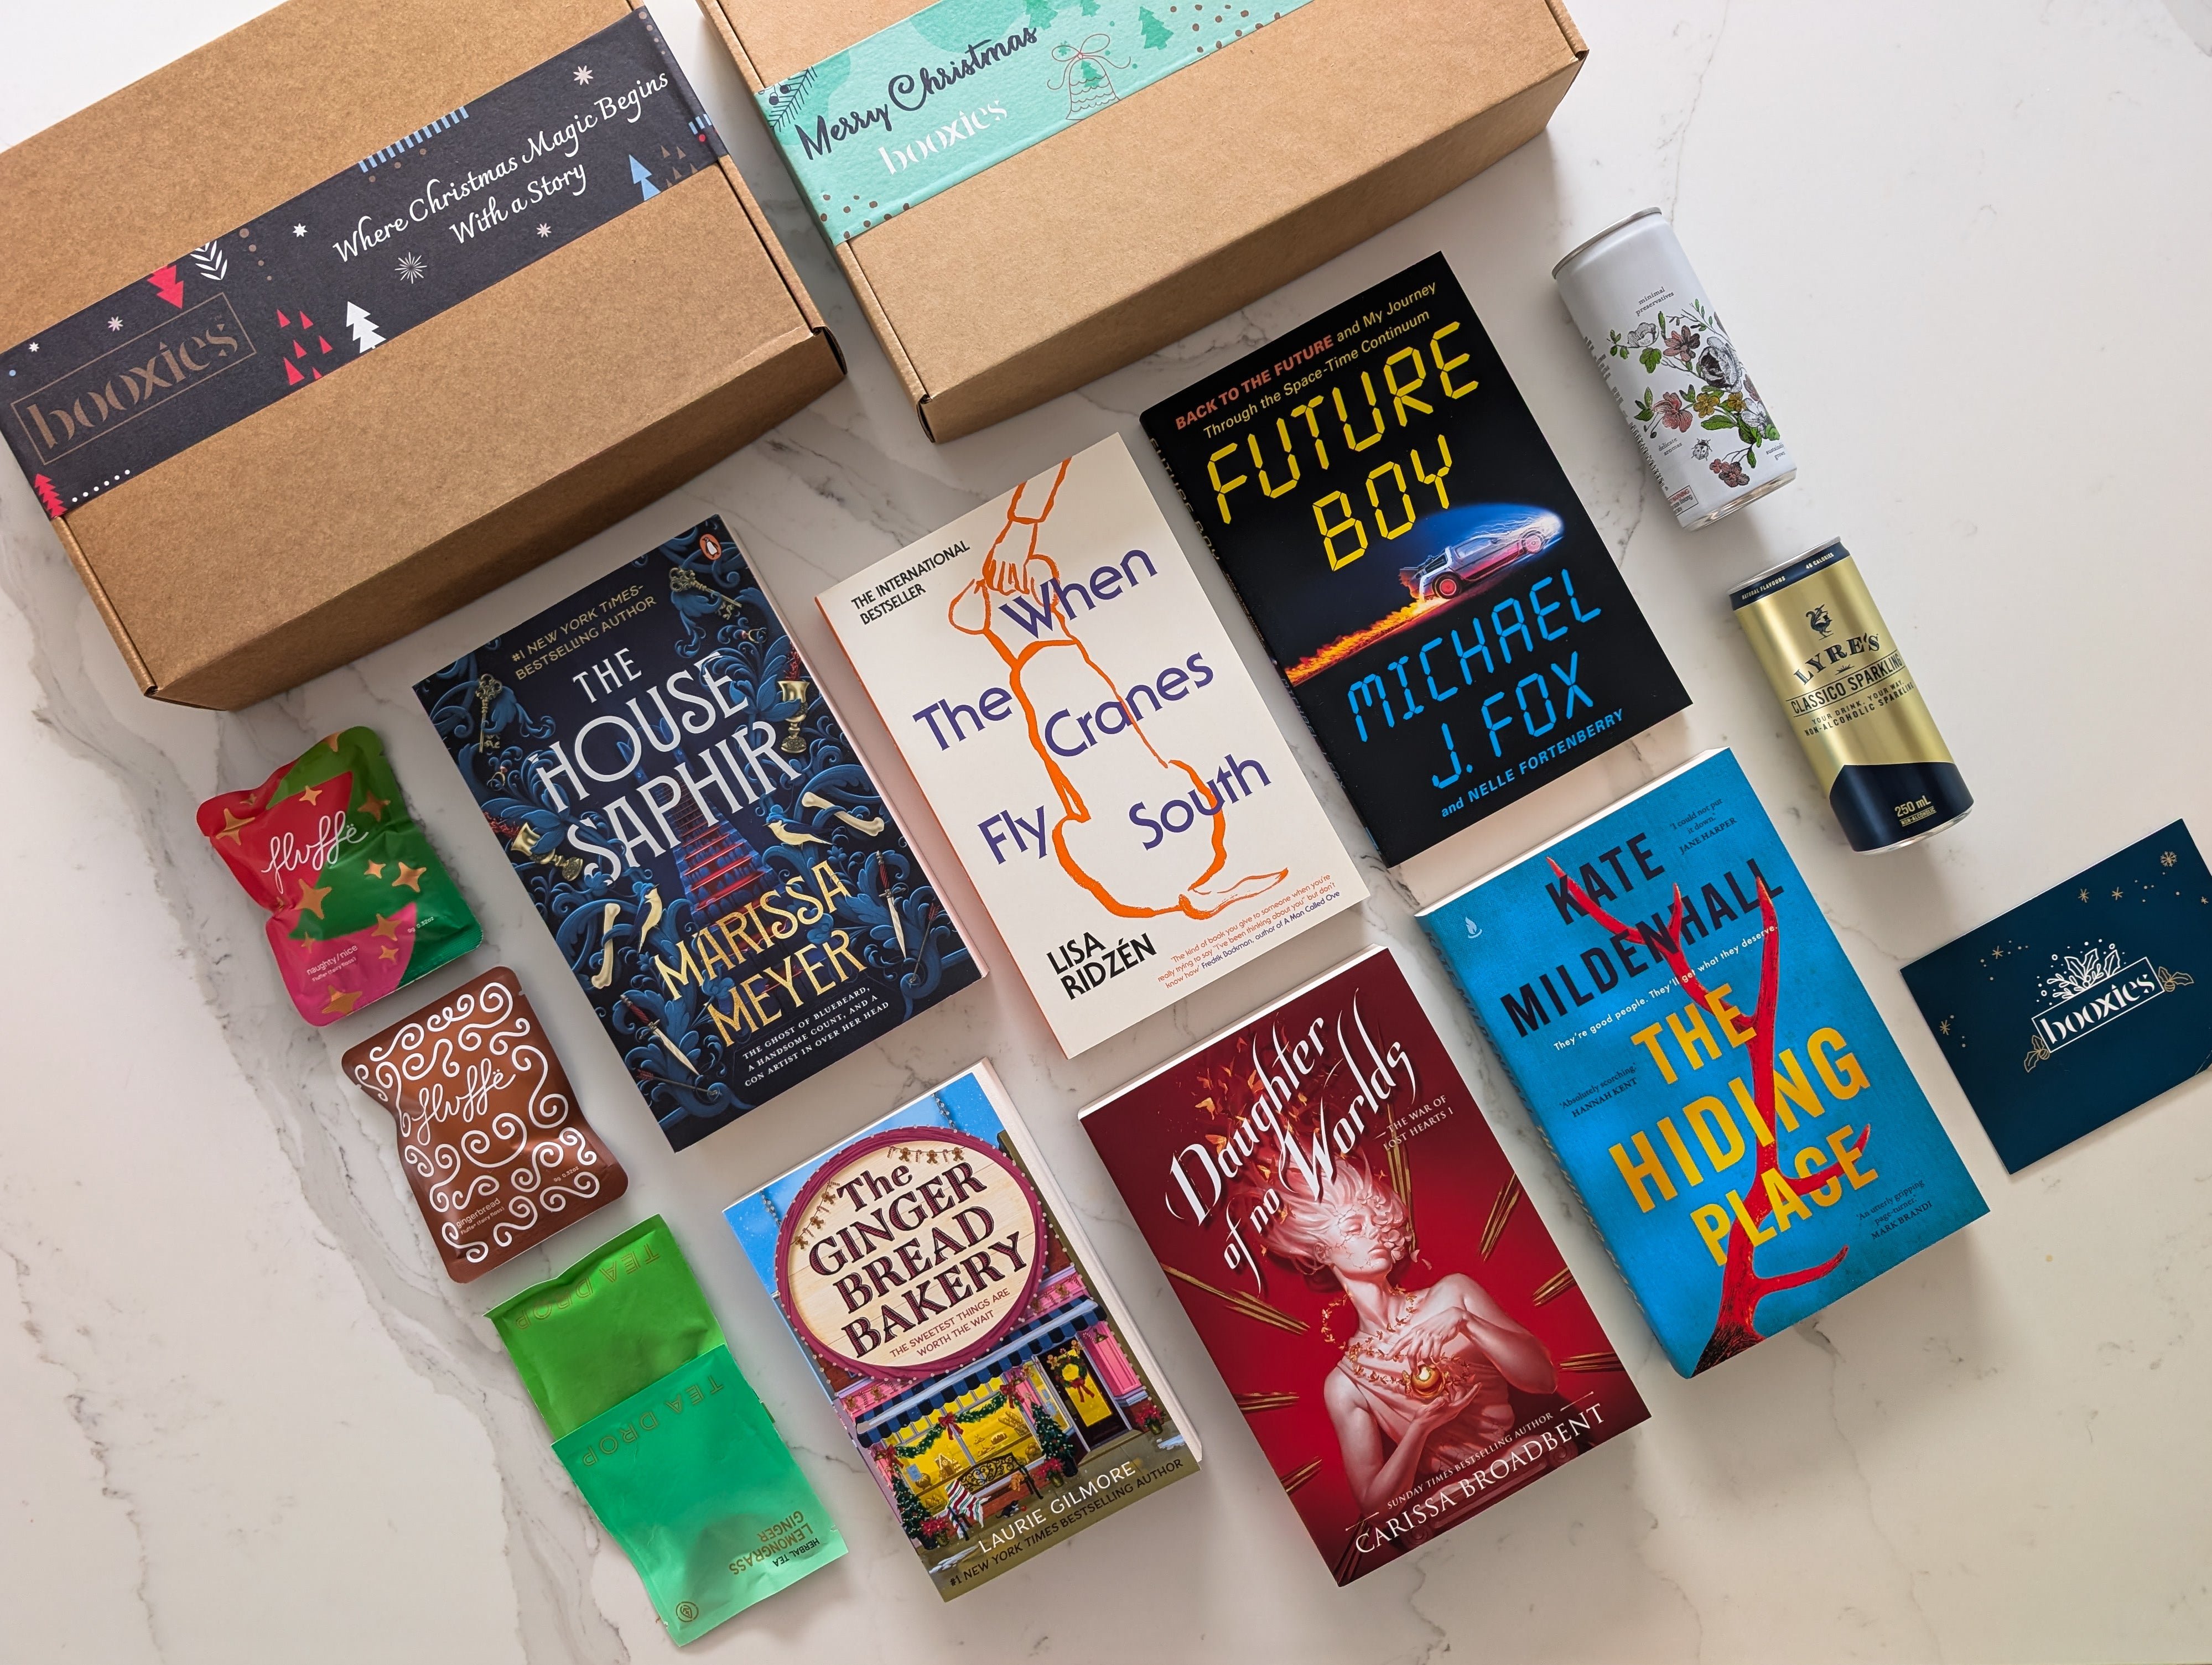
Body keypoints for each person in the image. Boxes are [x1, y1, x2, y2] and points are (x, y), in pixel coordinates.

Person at [1258, 1161, 1570, 1519]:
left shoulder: (1453, 1294)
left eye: (1376, 1222)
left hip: (1544, 1468)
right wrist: (1421, 1429)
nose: (1373, 1233)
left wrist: (1466, 1322)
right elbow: (1376, 1509)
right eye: (1355, 1227)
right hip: (1459, 1513)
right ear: (1323, 1252)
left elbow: (1545, 1380)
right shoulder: (1345, 1384)